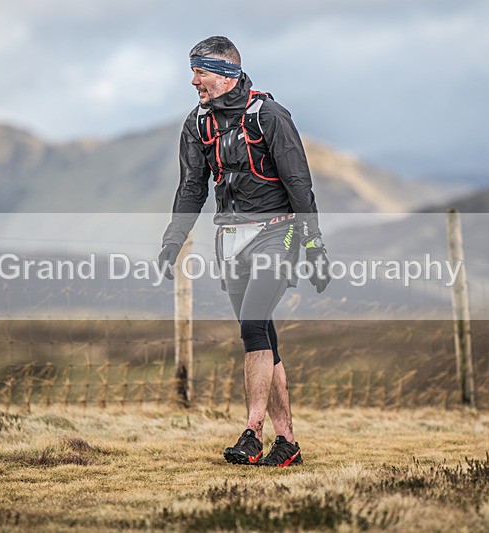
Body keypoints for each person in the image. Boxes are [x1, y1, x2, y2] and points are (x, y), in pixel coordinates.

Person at [158, 36, 330, 467]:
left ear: (227, 73)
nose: (193, 80)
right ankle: (286, 441)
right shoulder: (197, 125)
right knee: (263, 335)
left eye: (201, 71)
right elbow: (191, 188)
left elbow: (298, 184)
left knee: (253, 324)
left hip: (279, 233)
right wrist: (172, 241)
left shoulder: (269, 115)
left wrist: (313, 244)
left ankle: (252, 432)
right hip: (230, 239)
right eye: (193, 70)